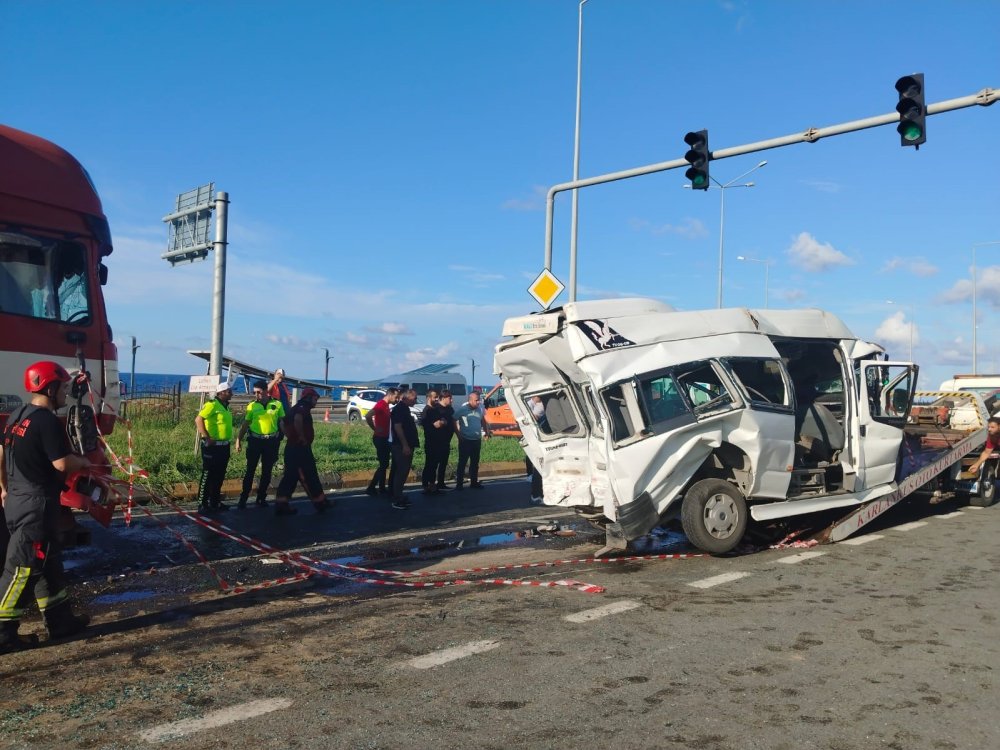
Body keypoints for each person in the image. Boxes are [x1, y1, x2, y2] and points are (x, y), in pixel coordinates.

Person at [0, 361, 91, 653]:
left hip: (17, 500)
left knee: (47, 562)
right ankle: (3, 632)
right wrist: (83, 462)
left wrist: (3, 488)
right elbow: (62, 463)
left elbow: (1, 454)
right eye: (62, 388)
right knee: (21, 570)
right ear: (50, 389)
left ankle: (60, 621)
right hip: (36, 508)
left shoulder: (17, 416)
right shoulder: (46, 421)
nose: (65, 393)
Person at [273, 388, 331, 516]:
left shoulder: (295, 407)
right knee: (309, 475)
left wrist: (290, 436)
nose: (316, 402)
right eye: (315, 399)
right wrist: (301, 437)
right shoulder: (302, 408)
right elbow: (298, 419)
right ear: (308, 398)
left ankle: (281, 504)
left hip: (292, 447)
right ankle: (320, 502)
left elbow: (282, 422)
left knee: (290, 476)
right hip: (300, 449)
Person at [235, 379, 284, 509]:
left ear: (266, 391)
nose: (256, 395)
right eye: (254, 392)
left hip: (271, 442)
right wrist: (238, 439)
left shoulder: (277, 404)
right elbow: (245, 424)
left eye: (259, 392)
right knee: (250, 470)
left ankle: (261, 497)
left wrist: (289, 437)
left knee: (267, 471)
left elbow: (282, 422)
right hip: (255, 441)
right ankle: (243, 498)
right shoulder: (252, 405)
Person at [194, 381, 234, 513]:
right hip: (212, 446)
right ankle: (202, 503)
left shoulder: (225, 406)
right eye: (229, 391)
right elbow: (198, 419)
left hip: (224, 446)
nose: (231, 393)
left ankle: (215, 502)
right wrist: (206, 437)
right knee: (208, 474)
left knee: (219, 475)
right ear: (221, 393)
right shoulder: (212, 405)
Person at [364, 388, 399, 496]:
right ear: (390, 395)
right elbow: (368, 415)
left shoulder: (386, 405)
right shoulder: (381, 404)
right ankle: (371, 488)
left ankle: (382, 488)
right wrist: (374, 428)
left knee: (384, 464)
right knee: (384, 464)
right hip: (380, 438)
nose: (397, 399)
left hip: (385, 438)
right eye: (396, 397)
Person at [454, 390, 491, 490]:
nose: (478, 402)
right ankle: (459, 484)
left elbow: (483, 420)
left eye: (479, 400)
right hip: (465, 440)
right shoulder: (463, 409)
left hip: (476, 440)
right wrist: (458, 434)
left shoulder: (479, 409)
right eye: (476, 400)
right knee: (462, 462)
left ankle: (474, 482)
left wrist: (486, 432)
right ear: (470, 400)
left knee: (475, 462)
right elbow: (453, 419)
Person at [388, 389, 418, 509]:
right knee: (402, 471)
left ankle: (397, 494)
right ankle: (397, 498)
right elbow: (398, 427)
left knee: (399, 470)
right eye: (414, 398)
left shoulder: (404, 408)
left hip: (404, 444)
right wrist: (405, 445)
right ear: (407, 398)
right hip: (400, 446)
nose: (416, 401)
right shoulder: (400, 409)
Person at [420, 389, 451, 494]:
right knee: (430, 464)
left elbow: (443, 421)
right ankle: (427, 486)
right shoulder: (427, 411)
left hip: (438, 441)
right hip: (431, 442)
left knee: (433, 465)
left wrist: (442, 422)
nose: (437, 399)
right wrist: (442, 422)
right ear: (429, 398)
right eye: (435, 397)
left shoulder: (434, 410)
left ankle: (431, 486)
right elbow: (437, 424)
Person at [432, 390, 456, 491]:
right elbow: (434, 424)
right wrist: (442, 423)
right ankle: (431, 485)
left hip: (447, 440)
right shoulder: (436, 409)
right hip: (437, 440)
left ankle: (441, 483)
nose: (452, 400)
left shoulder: (450, 409)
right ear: (443, 398)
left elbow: (454, 421)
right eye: (450, 398)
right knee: (434, 463)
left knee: (444, 462)